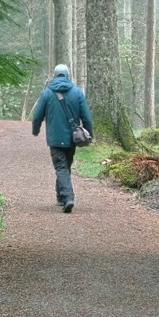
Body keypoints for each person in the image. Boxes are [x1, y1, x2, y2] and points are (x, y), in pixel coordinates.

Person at [32, 64, 93, 213]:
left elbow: (37, 116)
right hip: (73, 138)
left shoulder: (47, 93)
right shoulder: (77, 93)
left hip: (54, 138)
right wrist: (89, 134)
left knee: (61, 167)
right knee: (65, 166)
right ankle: (61, 196)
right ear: (67, 75)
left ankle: (67, 197)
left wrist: (36, 130)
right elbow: (87, 118)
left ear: (55, 75)